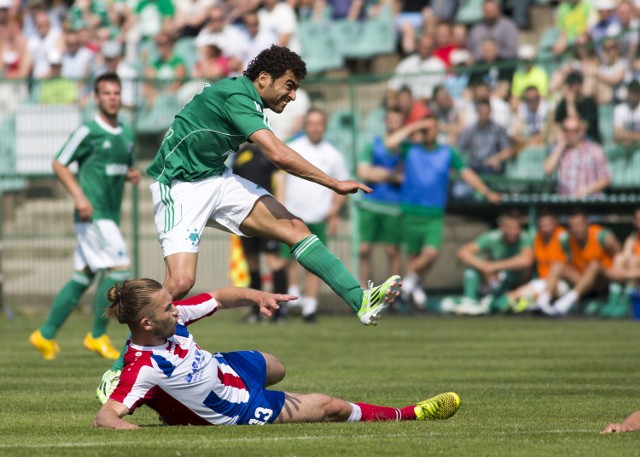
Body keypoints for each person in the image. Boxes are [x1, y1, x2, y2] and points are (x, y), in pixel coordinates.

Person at [98, 45, 403, 398]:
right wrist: (334, 182)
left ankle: (360, 301)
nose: (292, 95)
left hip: (215, 178)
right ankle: (121, 369)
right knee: (179, 282)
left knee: (295, 229)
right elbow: (277, 155)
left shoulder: (247, 100)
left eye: (296, 89)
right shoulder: (236, 97)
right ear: (263, 79)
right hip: (179, 186)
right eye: (288, 85)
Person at [93, 278, 461, 426]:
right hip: (238, 409)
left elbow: (220, 297)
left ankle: (170, 407)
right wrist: (130, 430)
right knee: (328, 405)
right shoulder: (141, 367)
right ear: (145, 325)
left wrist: (259, 297)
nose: (177, 309)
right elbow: (104, 417)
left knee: (276, 365)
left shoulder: (170, 317)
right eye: (168, 308)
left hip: (228, 370)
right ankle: (408, 414)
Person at [29, 72, 141, 361]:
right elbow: (59, 162)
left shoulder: (126, 133)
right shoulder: (87, 130)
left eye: (116, 93)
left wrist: (130, 174)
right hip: (93, 214)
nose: (113, 98)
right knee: (120, 271)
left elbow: (120, 167)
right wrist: (79, 196)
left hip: (109, 215)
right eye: (106, 93)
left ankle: (45, 334)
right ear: (96, 97)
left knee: (83, 276)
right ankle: (96, 335)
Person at [385, 115, 501, 309]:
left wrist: (486, 191)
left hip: (434, 212)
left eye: (429, 128)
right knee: (413, 257)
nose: (426, 132)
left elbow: (466, 173)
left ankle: (406, 285)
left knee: (430, 254)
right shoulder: (410, 149)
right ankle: (414, 289)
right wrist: (416, 124)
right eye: (424, 129)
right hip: (410, 210)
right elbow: (390, 142)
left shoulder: (447, 153)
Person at [280, 108, 350, 322]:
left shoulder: (333, 154)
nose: (315, 127)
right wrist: (279, 203)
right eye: (311, 123)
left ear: (325, 126)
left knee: (315, 265)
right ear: (305, 125)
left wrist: (334, 212)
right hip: (292, 215)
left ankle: (310, 307)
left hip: (318, 216)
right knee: (288, 262)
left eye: (319, 123)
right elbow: (281, 177)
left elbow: (343, 184)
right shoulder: (293, 148)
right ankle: (291, 299)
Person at [231, 142, 288, 324]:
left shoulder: (268, 151)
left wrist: (279, 209)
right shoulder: (239, 155)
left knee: (274, 262)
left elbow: (280, 180)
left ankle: (280, 313)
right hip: (244, 217)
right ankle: (255, 312)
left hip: (267, 216)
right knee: (252, 263)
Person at [536, 209, 622, 316]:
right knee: (557, 264)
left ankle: (565, 304)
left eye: (579, 225)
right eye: (572, 226)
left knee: (594, 264)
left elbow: (620, 257)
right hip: (581, 281)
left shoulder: (602, 236)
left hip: (603, 281)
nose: (576, 229)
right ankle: (542, 302)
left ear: (587, 224)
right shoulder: (567, 239)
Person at [356, 108, 404, 289]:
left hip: (392, 205)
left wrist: (377, 173)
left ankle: (393, 294)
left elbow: (405, 176)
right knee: (364, 250)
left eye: (397, 121)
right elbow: (363, 172)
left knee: (392, 251)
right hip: (370, 203)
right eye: (390, 120)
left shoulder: (405, 148)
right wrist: (392, 175)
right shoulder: (373, 144)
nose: (393, 124)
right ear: (386, 122)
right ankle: (364, 291)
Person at [453, 210, 534, 315]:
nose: (514, 231)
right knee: (472, 267)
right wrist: (483, 266)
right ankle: (470, 301)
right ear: (502, 227)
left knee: (503, 294)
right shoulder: (492, 237)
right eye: (510, 228)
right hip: (493, 281)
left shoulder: (525, 237)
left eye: (516, 228)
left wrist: (494, 266)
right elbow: (463, 253)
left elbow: (525, 260)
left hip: (515, 283)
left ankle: (492, 305)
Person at [544, 116, 610, 199]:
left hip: (588, 201)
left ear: (582, 131)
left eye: (575, 131)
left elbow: (605, 179)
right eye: (566, 130)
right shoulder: (559, 150)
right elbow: (547, 170)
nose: (570, 134)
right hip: (563, 202)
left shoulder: (595, 150)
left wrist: (586, 191)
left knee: (578, 212)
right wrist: (560, 146)